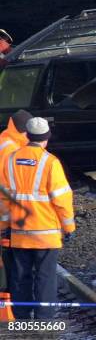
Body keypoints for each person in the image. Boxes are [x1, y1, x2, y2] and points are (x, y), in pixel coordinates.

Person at [2, 117, 75, 320]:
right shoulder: (50, 162)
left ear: (28, 135)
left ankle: (22, 318)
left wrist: (4, 226)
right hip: (46, 234)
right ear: (46, 138)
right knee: (45, 276)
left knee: (20, 275)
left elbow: (3, 198)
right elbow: (62, 199)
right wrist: (68, 227)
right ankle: (44, 319)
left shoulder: (10, 160)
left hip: (19, 232)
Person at [0, 109, 31, 322]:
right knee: (10, 263)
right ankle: (8, 313)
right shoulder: (11, 149)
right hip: (6, 215)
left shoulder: (6, 139)